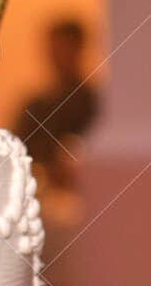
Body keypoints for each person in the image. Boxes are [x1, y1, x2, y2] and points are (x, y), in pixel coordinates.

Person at [17, 17, 100, 192]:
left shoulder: (93, 103)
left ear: (79, 49)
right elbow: (17, 150)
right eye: (52, 49)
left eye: (63, 49)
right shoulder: (35, 106)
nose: (56, 57)